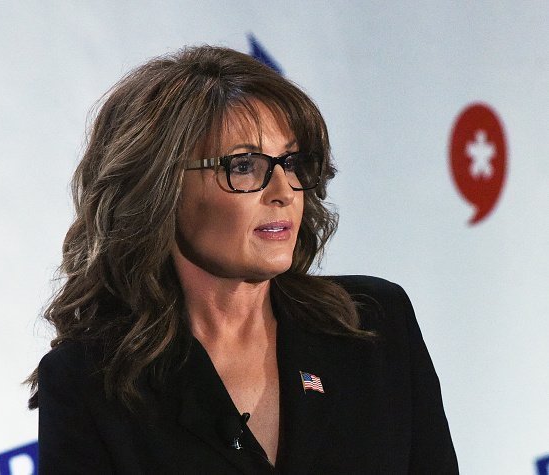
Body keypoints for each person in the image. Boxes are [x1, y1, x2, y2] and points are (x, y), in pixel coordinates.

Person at [28, 45, 458, 474]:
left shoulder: (374, 322)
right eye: (245, 165)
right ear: (161, 188)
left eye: (291, 162)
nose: (283, 191)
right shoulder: (91, 383)